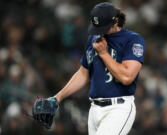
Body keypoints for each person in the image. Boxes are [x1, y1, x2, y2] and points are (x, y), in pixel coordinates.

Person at [54, 2, 146, 135]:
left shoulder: (133, 40)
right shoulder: (93, 39)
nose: (99, 31)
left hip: (118, 108)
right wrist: (57, 98)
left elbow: (127, 77)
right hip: (94, 109)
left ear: (116, 21)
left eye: (103, 27)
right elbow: (83, 73)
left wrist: (104, 54)